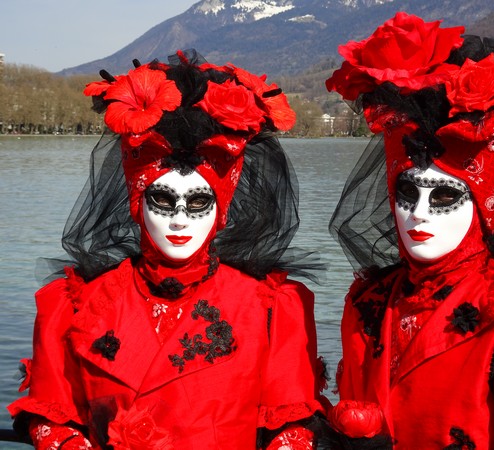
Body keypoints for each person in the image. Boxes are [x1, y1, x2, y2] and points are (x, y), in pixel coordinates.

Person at [8, 50, 326, 449]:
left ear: (221, 211)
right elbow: (52, 416)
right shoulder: (75, 305)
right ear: (137, 204)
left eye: (197, 203)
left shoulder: (271, 309)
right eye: (162, 200)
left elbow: (291, 427)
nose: (179, 220)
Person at [324, 12, 494, 448]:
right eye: (406, 193)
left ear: (490, 201)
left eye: (445, 197)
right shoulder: (370, 301)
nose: (419, 214)